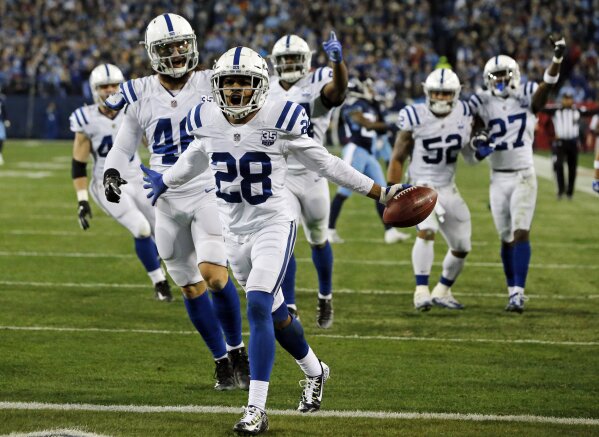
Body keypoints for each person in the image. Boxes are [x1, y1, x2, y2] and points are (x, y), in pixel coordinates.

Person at [140, 46, 410, 435]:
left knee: (260, 306)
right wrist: (165, 180)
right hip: (233, 230)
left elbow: (326, 162)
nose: (235, 90)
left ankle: (256, 409)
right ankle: (316, 371)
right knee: (279, 317)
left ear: (259, 86)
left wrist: (380, 192)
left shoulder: (280, 118)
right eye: (228, 82)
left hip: (273, 221)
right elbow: (198, 153)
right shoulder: (206, 117)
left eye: (243, 82)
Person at [102, 13, 248, 391]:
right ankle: (220, 361)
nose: (178, 53)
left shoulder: (210, 81)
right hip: (162, 197)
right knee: (188, 285)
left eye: (183, 44)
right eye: (168, 48)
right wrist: (111, 172)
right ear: (153, 53)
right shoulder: (139, 93)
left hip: (207, 186)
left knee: (214, 275)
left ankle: (238, 350)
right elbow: (123, 144)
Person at [468, 36, 566, 313]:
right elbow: (467, 121)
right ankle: (511, 290)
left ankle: (519, 294)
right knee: (505, 237)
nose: (500, 80)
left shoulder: (527, 93)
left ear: (514, 76)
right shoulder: (481, 100)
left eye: (504, 75)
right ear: (487, 79)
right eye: (495, 76)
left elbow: (545, 90)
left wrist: (556, 60)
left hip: (523, 174)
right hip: (497, 177)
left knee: (521, 232)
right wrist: (476, 139)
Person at [70, 63, 172, 302]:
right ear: (94, 89)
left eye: (114, 85)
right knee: (141, 228)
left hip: (137, 176)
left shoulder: (133, 109)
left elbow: (153, 145)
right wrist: (82, 200)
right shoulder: (86, 118)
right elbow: (78, 163)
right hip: (107, 183)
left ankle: (179, 269)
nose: (109, 90)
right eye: (103, 86)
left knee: (164, 228)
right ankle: (159, 281)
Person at [267, 32, 347, 327]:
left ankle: (325, 297)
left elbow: (337, 92)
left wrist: (339, 63)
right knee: (283, 241)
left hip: (313, 174)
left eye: (294, 58)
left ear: (306, 61)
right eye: (284, 59)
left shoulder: (319, 80)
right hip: (280, 176)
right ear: (275, 62)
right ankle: (289, 305)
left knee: (318, 238)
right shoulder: (265, 87)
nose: (288, 63)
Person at [388, 68, 477, 311]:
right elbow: (397, 157)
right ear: (427, 93)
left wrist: (480, 149)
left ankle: (442, 290)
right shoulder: (415, 115)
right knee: (427, 230)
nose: (439, 98)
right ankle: (421, 291)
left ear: (455, 95)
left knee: (462, 246)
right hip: (420, 184)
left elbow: (470, 156)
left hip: (448, 187)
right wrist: (392, 191)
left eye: (445, 94)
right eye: (435, 93)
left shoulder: (465, 113)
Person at [328, 78, 410, 245]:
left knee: (382, 193)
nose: (370, 90)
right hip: (355, 150)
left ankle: (390, 232)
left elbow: (376, 120)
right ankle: (328, 230)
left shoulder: (370, 105)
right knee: (343, 193)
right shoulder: (352, 105)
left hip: (368, 153)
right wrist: (388, 126)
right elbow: (366, 123)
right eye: (366, 87)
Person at [548, 88, 581, 199]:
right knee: (558, 165)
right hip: (561, 142)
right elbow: (541, 108)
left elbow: (591, 112)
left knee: (572, 168)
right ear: (562, 99)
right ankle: (561, 190)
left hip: (572, 142)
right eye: (566, 98)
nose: (567, 101)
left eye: (569, 98)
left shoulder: (577, 111)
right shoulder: (556, 110)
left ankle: (570, 192)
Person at [0, 92, 8, 165]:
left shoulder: (1, 100)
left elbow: (4, 110)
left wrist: (6, 119)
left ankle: (0, 154)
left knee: (1, 138)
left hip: (0, 121)